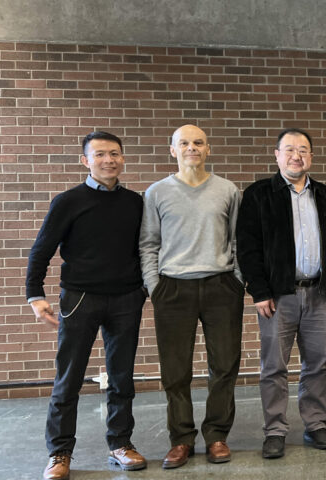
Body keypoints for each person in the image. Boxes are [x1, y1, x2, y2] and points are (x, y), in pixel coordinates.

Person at [27, 131, 148, 479]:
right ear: (85, 161)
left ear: (122, 158)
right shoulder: (67, 201)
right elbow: (41, 250)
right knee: (69, 379)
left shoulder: (135, 203)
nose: (108, 160)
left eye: (114, 154)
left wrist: (143, 290)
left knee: (122, 377)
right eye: (100, 155)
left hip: (126, 299)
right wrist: (35, 296)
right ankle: (59, 452)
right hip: (79, 298)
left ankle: (121, 443)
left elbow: (144, 248)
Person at [140, 124, 244, 468]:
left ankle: (216, 436)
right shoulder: (156, 192)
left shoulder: (228, 190)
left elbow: (237, 241)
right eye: (184, 143)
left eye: (198, 142)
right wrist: (155, 286)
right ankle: (181, 439)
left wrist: (237, 281)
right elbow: (149, 243)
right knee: (175, 370)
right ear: (173, 150)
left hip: (220, 287)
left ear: (208, 149)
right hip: (173, 288)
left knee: (225, 365)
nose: (191, 148)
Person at [237, 128, 326, 458]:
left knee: (317, 364)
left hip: (319, 295)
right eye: (289, 150)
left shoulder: (325, 195)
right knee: (274, 366)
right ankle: (275, 429)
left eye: (303, 150)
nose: (296, 155)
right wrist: (259, 291)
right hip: (277, 296)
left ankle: (315, 424)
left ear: (311, 156)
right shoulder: (258, 194)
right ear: (277, 154)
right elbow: (248, 247)